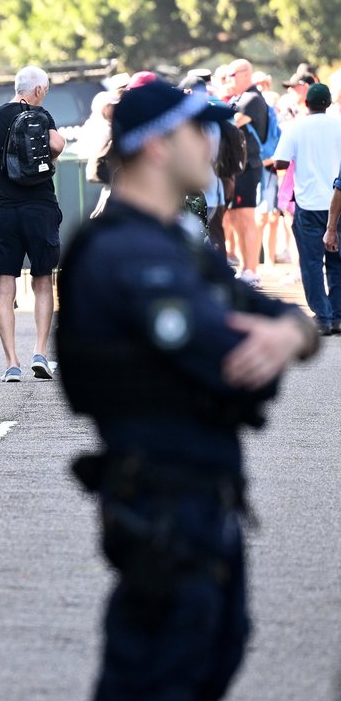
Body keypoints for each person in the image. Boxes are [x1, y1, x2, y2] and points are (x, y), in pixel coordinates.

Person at [56, 80, 320, 701]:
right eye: (197, 130)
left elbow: (290, 321)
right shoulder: (119, 251)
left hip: (206, 493)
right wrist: (271, 340)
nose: (213, 142)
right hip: (160, 499)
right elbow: (223, 357)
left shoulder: (176, 242)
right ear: (155, 146)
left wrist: (290, 335)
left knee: (214, 651)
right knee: (160, 673)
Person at [0, 66, 66, 382]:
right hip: (40, 207)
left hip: (3, 209)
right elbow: (58, 145)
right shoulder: (41, 115)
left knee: (3, 286)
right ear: (38, 90)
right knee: (43, 280)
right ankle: (39, 351)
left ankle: (12, 362)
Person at [274, 83, 341, 335]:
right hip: (338, 202)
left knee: (311, 262)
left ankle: (323, 317)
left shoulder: (295, 127)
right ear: (329, 103)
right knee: (337, 261)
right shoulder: (339, 125)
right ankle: (338, 314)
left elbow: (280, 162)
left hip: (309, 204)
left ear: (306, 103)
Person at [226, 59, 270, 285]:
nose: (228, 80)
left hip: (249, 166)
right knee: (236, 218)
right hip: (239, 167)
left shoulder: (252, 99)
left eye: (231, 75)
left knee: (246, 217)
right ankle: (245, 268)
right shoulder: (241, 98)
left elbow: (232, 123)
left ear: (245, 73)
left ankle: (251, 270)